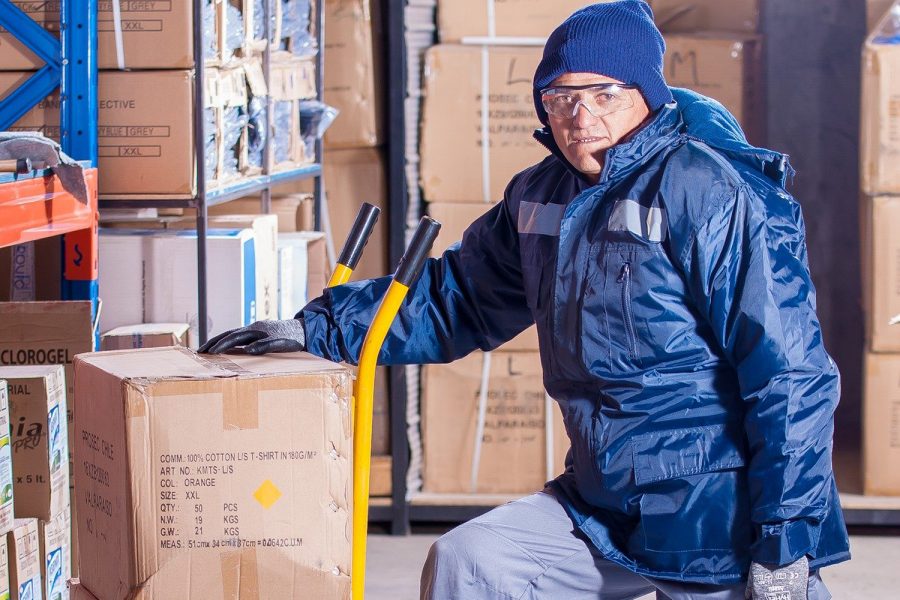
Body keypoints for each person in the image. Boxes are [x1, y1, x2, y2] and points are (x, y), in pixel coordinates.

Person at [201, 2, 850, 598]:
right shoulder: (540, 199)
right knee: (474, 562)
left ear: (648, 96)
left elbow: (790, 375)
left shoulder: (714, 195)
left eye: (604, 94)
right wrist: (317, 328)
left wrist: (786, 540)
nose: (579, 117)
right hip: (603, 508)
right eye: (560, 97)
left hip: (719, 519)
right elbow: (455, 298)